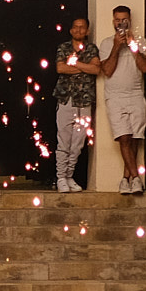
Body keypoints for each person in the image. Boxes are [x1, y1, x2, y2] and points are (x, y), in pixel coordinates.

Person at [97, 5, 146, 194]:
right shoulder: (105, 43)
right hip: (115, 96)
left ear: (130, 20)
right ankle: (136, 177)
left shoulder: (140, 41)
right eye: (118, 20)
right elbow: (107, 71)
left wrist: (133, 47)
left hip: (136, 94)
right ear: (113, 21)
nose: (121, 23)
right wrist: (117, 47)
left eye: (124, 19)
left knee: (135, 137)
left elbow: (145, 69)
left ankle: (126, 179)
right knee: (124, 137)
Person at [51, 17, 101, 192]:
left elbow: (96, 69)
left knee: (78, 143)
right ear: (71, 30)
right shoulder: (64, 48)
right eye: (76, 27)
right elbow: (60, 68)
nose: (79, 30)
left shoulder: (91, 49)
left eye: (82, 28)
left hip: (85, 101)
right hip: (66, 99)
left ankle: (70, 175)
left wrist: (76, 64)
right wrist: (84, 67)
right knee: (63, 141)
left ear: (87, 31)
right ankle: (60, 178)